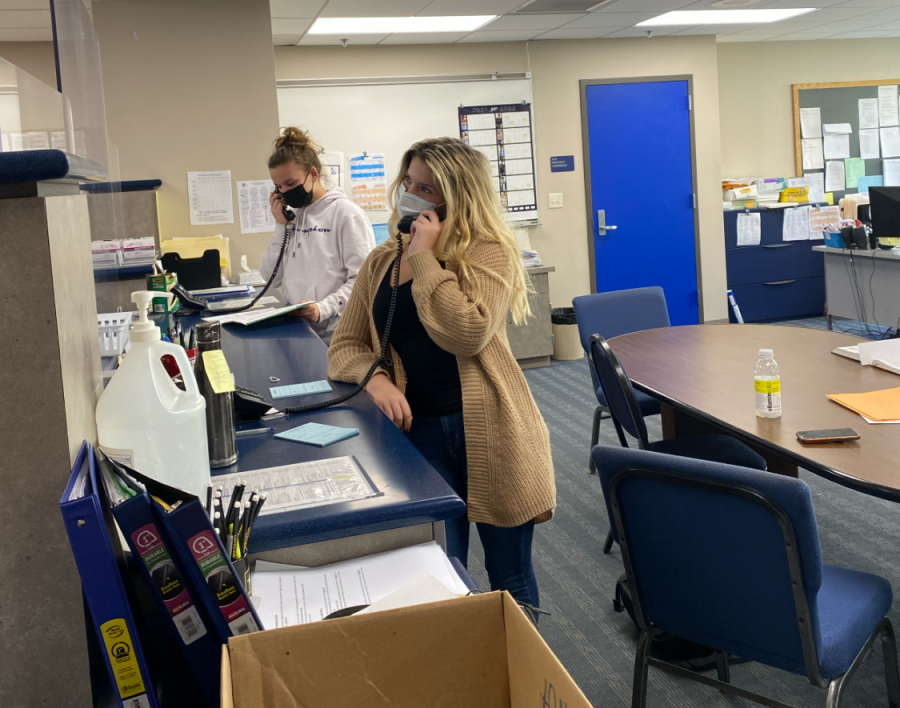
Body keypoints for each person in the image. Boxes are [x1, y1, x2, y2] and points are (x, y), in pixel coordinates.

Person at [327, 137, 556, 609]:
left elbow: (466, 333)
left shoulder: (488, 253)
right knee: (441, 576)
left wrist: (425, 259)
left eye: (426, 188)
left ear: (456, 197)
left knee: (509, 575)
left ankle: (526, 677)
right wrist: (376, 378)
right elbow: (345, 346)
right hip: (418, 435)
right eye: (408, 182)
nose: (410, 194)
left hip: (494, 431)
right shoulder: (380, 260)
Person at [261, 127, 375, 345]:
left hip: (337, 336)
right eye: (279, 187)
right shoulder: (292, 218)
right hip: (299, 331)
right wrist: (280, 226)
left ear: (313, 174)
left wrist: (323, 308)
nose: (285, 191)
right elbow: (270, 278)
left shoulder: (347, 215)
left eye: (291, 183)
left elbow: (364, 281)